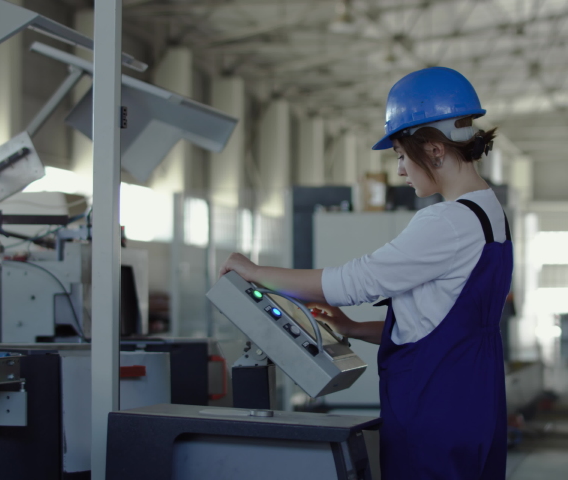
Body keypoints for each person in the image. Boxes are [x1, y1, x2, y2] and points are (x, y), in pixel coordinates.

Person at [219, 66, 512, 480]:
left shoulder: (446, 222)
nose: (400, 171)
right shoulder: (490, 213)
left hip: (434, 410)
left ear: (432, 148)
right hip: (476, 403)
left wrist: (255, 272)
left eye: (400, 155)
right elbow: (442, 324)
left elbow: (352, 282)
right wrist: (354, 328)